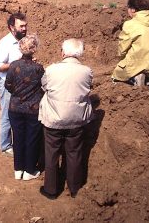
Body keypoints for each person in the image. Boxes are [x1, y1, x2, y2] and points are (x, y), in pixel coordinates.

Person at [38, 39, 93, 199]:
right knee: (75, 153)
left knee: (52, 153)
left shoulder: (51, 70)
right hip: (77, 120)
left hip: (54, 119)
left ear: (63, 52)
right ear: (80, 53)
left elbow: (44, 87)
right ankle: (75, 188)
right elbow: (88, 88)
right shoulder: (87, 71)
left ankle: (51, 190)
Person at [4, 34, 44, 180]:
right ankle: (29, 171)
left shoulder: (13, 65)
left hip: (15, 108)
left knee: (18, 138)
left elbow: (7, 84)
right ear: (34, 49)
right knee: (32, 139)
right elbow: (43, 86)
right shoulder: (38, 68)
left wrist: (18, 93)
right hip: (33, 109)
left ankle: (18, 169)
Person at [0, 12, 28, 156]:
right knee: (7, 114)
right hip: (7, 84)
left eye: (26, 25)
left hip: (21, 85)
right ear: (11, 27)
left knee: (20, 114)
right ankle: (5, 146)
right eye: (21, 26)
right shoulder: (5, 43)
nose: (25, 29)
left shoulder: (23, 40)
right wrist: (17, 63)